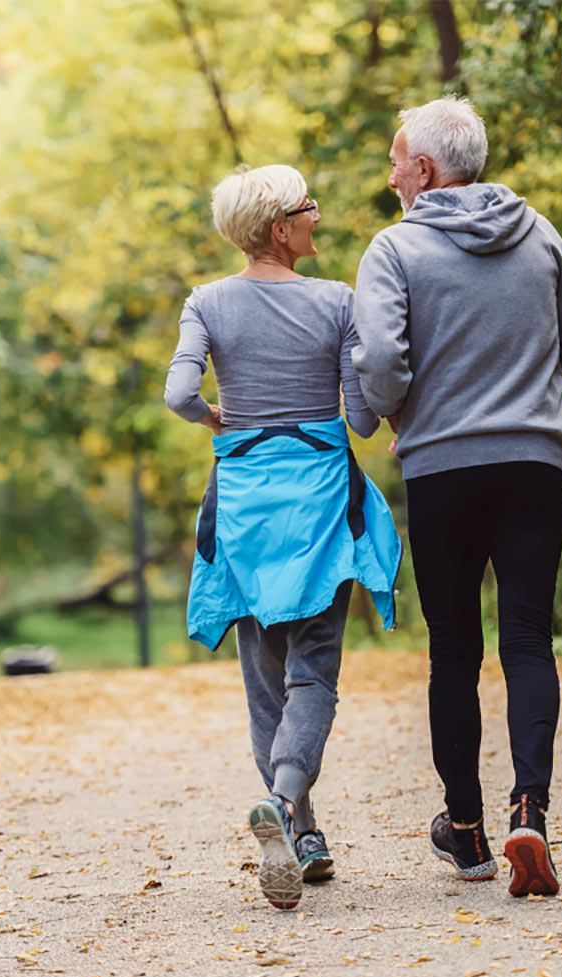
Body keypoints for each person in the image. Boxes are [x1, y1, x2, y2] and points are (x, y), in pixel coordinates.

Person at [352, 96, 562, 897]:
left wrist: (405, 411)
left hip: (443, 469)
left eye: (395, 162)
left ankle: (466, 832)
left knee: (454, 649)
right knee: (528, 639)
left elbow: (382, 363)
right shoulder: (541, 232)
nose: (390, 176)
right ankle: (532, 809)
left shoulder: (394, 249)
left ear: (424, 169)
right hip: (534, 462)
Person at [164, 164, 401, 910]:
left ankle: (299, 830)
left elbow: (178, 394)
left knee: (264, 677)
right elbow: (362, 418)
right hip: (319, 502)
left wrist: (216, 419)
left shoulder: (207, 303)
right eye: (307, 208)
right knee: (315, 670)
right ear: (279, 229)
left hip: (242, 506)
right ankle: (289, 797)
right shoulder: (337, 302)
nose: (317, 215)